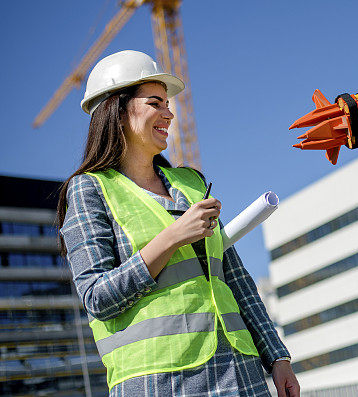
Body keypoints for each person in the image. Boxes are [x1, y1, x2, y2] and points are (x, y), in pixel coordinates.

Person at [57, 50, 300, 397]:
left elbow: (234, 276)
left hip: (238, 369)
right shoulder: (89, 190)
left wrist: (277, 356)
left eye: (168, 104)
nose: (169, 114)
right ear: (117, 109)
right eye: (155, 103)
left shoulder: (190, 183)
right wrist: (171, 237)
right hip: (157, 380)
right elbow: (97, 297)